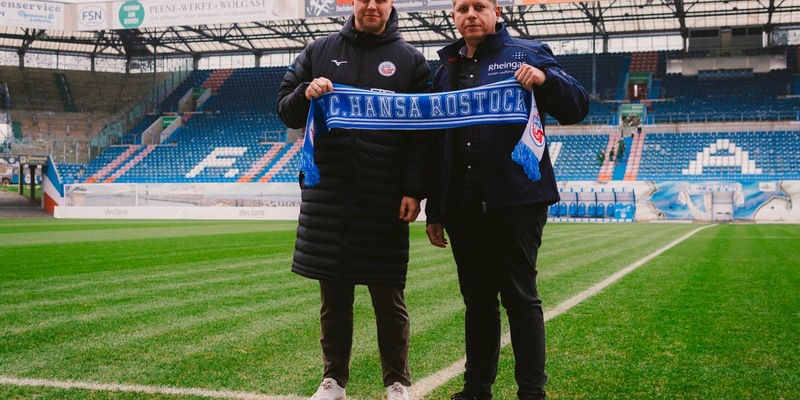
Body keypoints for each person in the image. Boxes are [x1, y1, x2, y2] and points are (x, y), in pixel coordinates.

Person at [424, 0, 589, 399]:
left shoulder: (527, 53)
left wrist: (545, 80)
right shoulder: (443, 70)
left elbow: (577, 107)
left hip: (516, 202)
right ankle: (476, 389)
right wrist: (436, 210)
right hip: (463, 205)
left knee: (520, 298)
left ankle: (531, 392)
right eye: (462, 8)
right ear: (453, 17)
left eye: (479, 6)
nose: (471, 14)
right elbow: (436, 142)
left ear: (496, 12)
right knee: (478, 302)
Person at [275, 0, 431, 399]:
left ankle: (397, 382)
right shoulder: (318, 50)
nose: (372, 5)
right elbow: (286, 110)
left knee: (388, 298)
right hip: (330, 196)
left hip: (384, 197)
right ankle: (333, 381)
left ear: (391, 4)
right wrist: (306, 93)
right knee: (334, 300)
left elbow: (422, 135)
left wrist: (414, 189)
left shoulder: (411, 60)